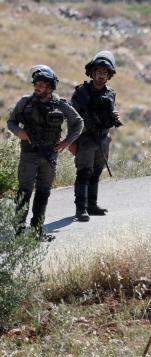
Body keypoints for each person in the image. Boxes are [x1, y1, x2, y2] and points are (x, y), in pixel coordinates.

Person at [7, 65, 84, 241]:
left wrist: (67, 142)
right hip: (28, 155)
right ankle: (18, 231)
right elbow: (11, 122)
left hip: (49, 157)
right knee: (24, 192)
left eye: (42, 84)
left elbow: (78, 123)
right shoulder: (25, 102)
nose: (37, 87)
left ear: (50, 87)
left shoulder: (60, 104)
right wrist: (20, 133)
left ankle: (37, 230)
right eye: (36, 83)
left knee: (43, 192)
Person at [70, 51, 121, 222]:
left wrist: (114, 117)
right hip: (85, 139)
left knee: (96, 172)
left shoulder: (111, 93)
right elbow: (73, 118)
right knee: (84, 172)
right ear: (92, 73)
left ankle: (92, 205)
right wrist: (72, 141)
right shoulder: (81, 93)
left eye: (104, 73)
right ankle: (81, 208)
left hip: (102, 138)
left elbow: (111, 111)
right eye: (98, 72)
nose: (101, 75)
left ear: (109, 76)